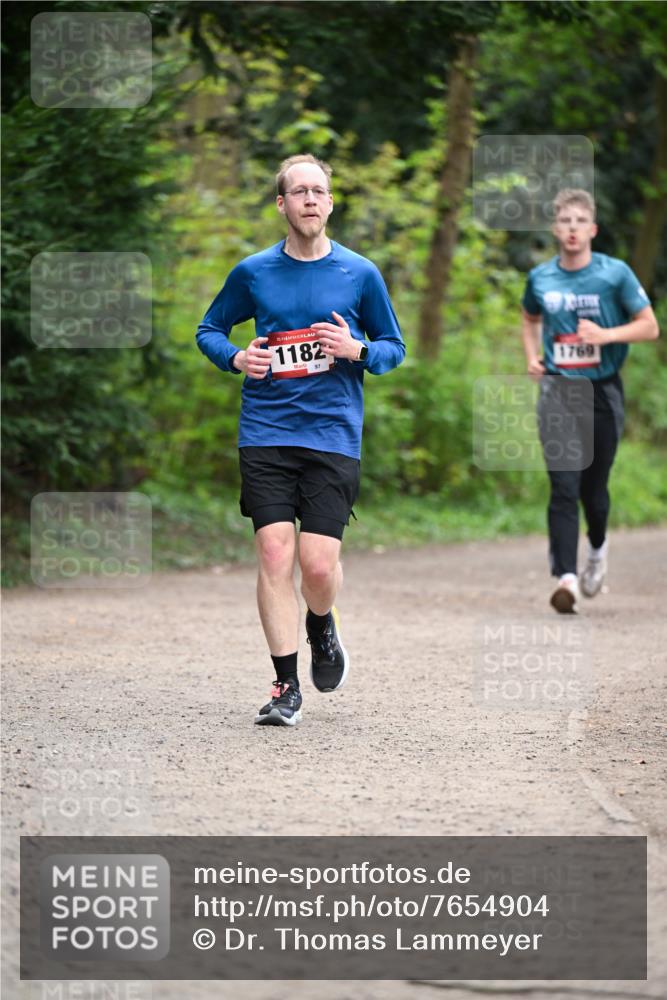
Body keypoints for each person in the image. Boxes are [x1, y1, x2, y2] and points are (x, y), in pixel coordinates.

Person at [196, 154, 405, 724]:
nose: (311, 199)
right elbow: (209, 329)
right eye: (299, 191)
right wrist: (238, 356)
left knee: (317, 567)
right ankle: (285, 686)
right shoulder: (254, 272)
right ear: (282, 205)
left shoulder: (359, 273)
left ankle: (321, 622)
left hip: (333, 433)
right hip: (265, 429)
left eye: (320, 191)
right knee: (273, 552)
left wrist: (357, 350)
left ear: (330, 204)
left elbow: (394, 347)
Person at [521, 188, 659, 613]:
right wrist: (532, 357)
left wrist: (606, 336)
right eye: (565, 222)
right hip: (559, 390)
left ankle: (597, 550)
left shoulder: (614, 274)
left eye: (580, 222)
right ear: (556, 229)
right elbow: (529, 317)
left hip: (602, 390)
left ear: (593, 229)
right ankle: (565, 578)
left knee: (593, 490)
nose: (572, 229)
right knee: (564, 485)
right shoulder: (541, 277)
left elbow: (649, 326)